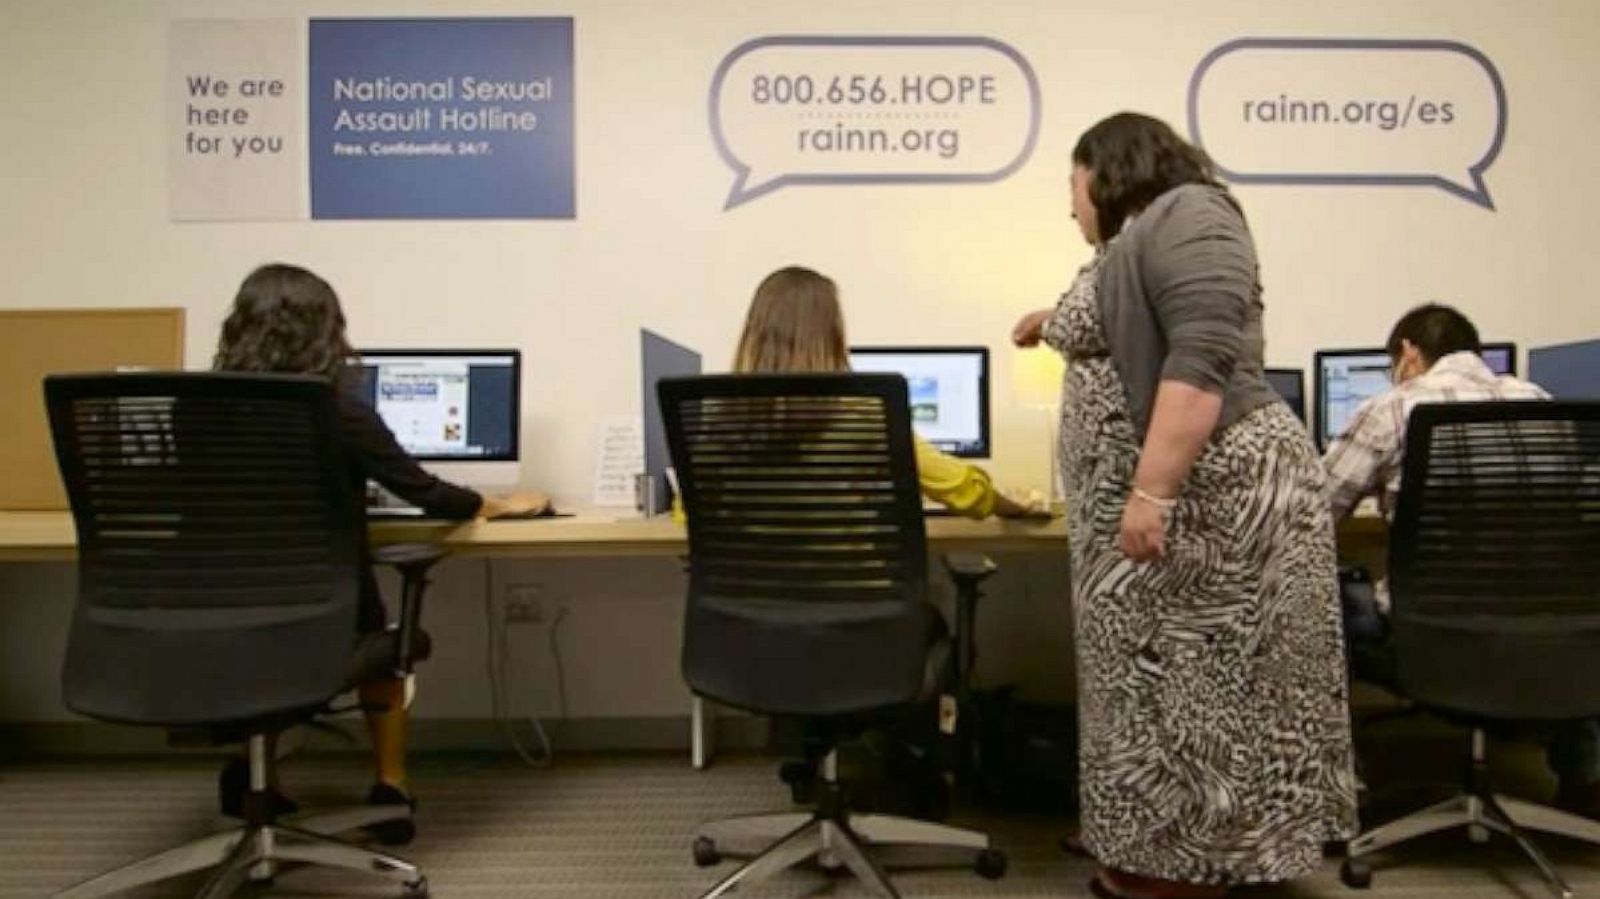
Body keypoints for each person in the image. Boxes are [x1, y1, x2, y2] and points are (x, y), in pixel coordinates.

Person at [1012, 112, 1357, 898]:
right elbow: (1116, 319)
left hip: (1212, 498)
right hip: (1167, 509)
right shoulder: (1131, 246)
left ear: (1107, 169)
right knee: (1145, 688)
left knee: (1204, 689)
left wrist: (1151, 490)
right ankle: (1138, 829)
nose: (1069, 206)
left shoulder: (1193, 213)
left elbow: (1201, 355)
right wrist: (1049, 320)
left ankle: (1194, 865)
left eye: (1072, 185)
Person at [212, 263, 549, 832]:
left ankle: (254, 776)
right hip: (323, 624)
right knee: (381, 637)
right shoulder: (335, 410)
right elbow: (426, 493)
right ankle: (390, 786)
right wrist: (495, 504)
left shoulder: (197, 409)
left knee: (265, 636)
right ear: (326, 331)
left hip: (215, 623)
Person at [1324, 302, 1600, 816]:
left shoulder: (1391, 407)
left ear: (1408, 354)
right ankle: (1584, 779)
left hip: (1432, 638)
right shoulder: (1538, 399)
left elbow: (1312, 513)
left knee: (1322, 596)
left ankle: (1345, 790)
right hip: (1548, 636)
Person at [734, 265, 1031, 519]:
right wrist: (1013, 504)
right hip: (851, 582)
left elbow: (690, 513)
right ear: (832, 335)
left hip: (739, 585)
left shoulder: (710, 415)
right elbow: (966, 491)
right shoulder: (867, 416)